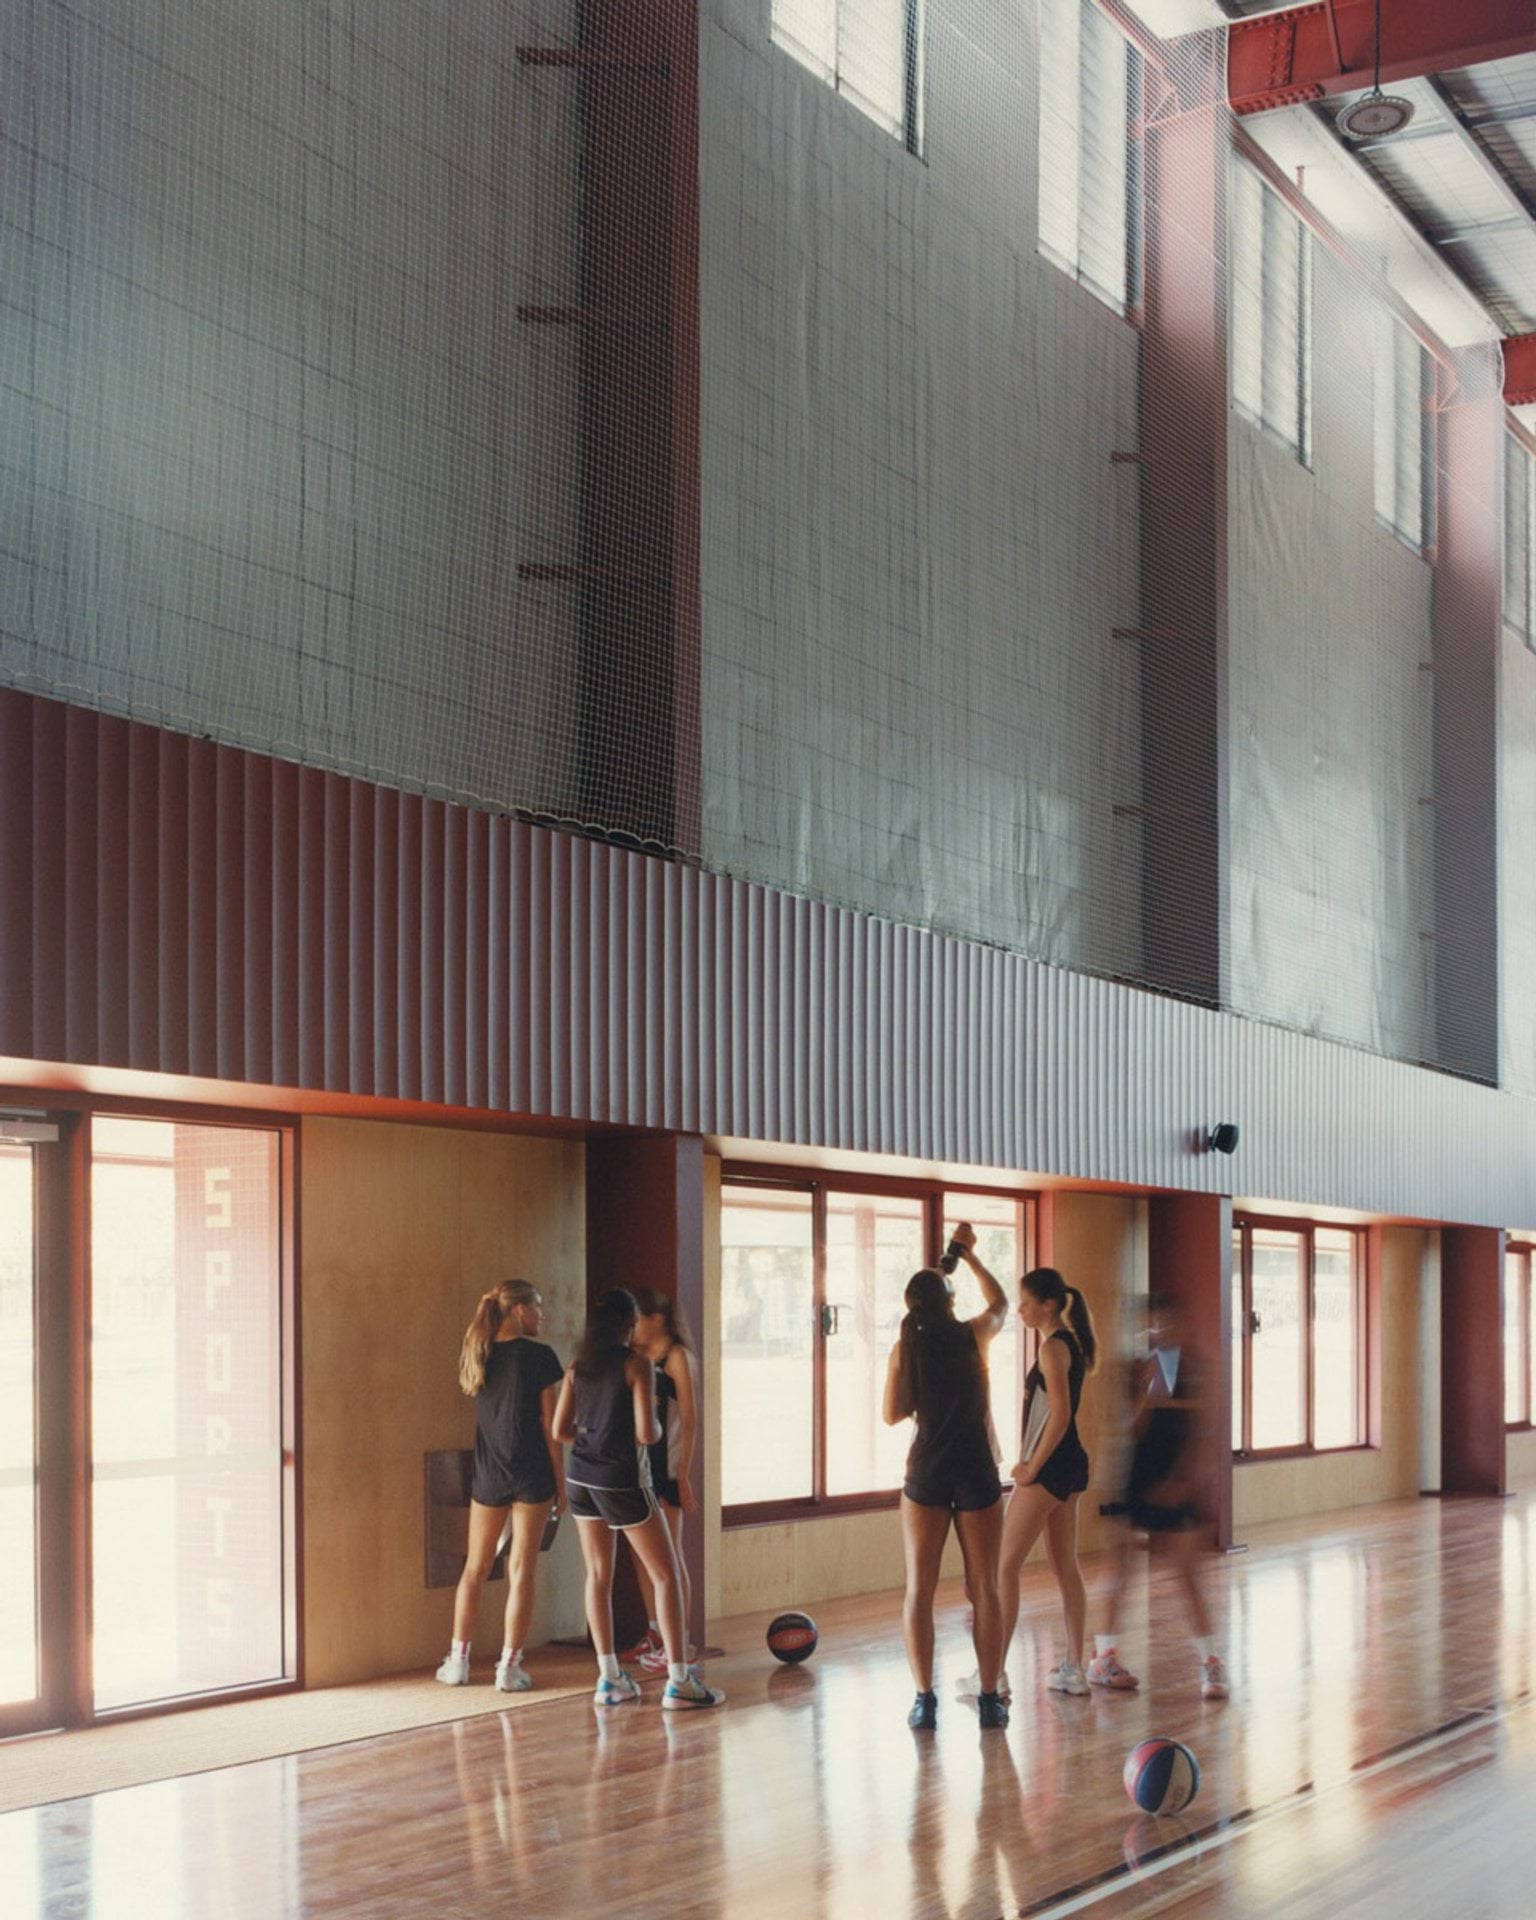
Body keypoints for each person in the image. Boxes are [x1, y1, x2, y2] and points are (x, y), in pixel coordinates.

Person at [551, 1286, 724, 1710]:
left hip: (581, 1478)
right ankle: (680, 1681)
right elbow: (648, 1434)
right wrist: (653, 1434)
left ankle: (609, 1680)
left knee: (598, 1575)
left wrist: (590, 1440)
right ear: (629, 1326)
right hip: (622, 1479)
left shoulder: (577, 1367)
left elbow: (560, 1431)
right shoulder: (637, 1366)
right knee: (666, 1574)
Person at [882, 1222, 1011, 1731]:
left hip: (928, 1471)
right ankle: (987, 1700)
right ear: (951, 1302)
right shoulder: (974, 1333)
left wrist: (947, 1261)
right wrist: (969, 1258)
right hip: (976, 1468)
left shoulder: (905, 1347)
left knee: (920, 1590)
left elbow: (892, 1414)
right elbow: (1000, 1303)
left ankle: (924, 1700)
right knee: (986, 1589)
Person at [1086, 1291, 1230, 1700]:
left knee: (1188, 1576)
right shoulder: (1132, 1369)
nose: (1161, 1331)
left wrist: (1184, 1480)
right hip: (1132, 1479)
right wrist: (1147, 1399)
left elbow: (1206, 1430)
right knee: (1119, 1572)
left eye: (1169, 1323)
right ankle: (1104, 1657)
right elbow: (1124, 1430)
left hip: (1177, 1482)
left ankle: (1211, 1663)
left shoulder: (1199, 1368)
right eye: (1154, 1324)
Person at [437, 1280, 566, 1692]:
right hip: (533, 1474)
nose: (542, 1316)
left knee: (474, 1568)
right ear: (518, 1311)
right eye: (537, 1307)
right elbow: (551, 1427)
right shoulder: (542, 1357)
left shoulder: (479, 1351)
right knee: (521, 1570)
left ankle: (458, 1662)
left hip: (489, 1474)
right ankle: (509, 1670)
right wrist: (561, 1484)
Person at [991, 1266, 1098, 1700]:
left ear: (1049, 1305)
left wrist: (1032, 1467)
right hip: (1068, 1466)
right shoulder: (1065, 1344)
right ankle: (1074, 1667)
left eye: (1026, 1302)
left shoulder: (1054, 1349)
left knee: (1004, 1566)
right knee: (1064, 1565)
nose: (1019, 1309)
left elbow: (1060, 1413)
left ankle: (993, 1675)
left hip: (1052, 1469)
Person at [623, 1287, 700, 1675]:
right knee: (642, 1556)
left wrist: (684, 1472)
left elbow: (690, 1419)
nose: (634, 1327)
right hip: (638, 1470)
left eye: (639, 1319)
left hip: (666, 1469)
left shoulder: (678, 1358)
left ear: (657, 1319)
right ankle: (655, 1632)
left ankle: (679, 1643)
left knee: (670, 1557)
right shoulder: (638, 1359)